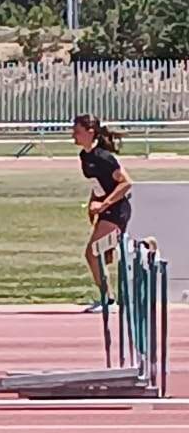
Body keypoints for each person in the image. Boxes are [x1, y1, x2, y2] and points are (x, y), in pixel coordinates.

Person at [75, 114, 133, 311]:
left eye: (77, 131)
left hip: (117, 210)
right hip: (106, 211)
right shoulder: (85, 156)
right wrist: (92, 204)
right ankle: (107, 297)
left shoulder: (103, 157)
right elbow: (98, 184)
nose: (73, 135)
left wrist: (103, 205)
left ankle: (108, 300)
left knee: (92, 252)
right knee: (100, 255)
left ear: (90, 132)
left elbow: (126, 183)